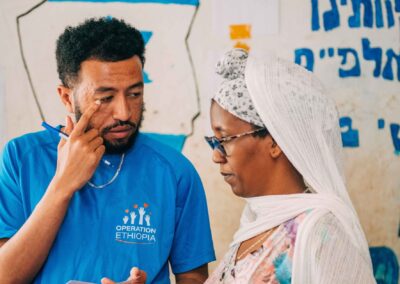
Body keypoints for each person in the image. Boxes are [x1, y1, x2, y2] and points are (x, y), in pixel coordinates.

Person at [0, 17, 215, 283]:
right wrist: (62, 186)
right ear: (67, 97)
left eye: (135, 94)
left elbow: (193, 277)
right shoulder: (21, 159)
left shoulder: (174, 171)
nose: (124, 113)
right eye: (105, 98)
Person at [204, 49, 376, 283]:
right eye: (213, 142)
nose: (216, 156)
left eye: (223, 139)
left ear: (275, 141)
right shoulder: (253, 225)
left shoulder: (322, 234)